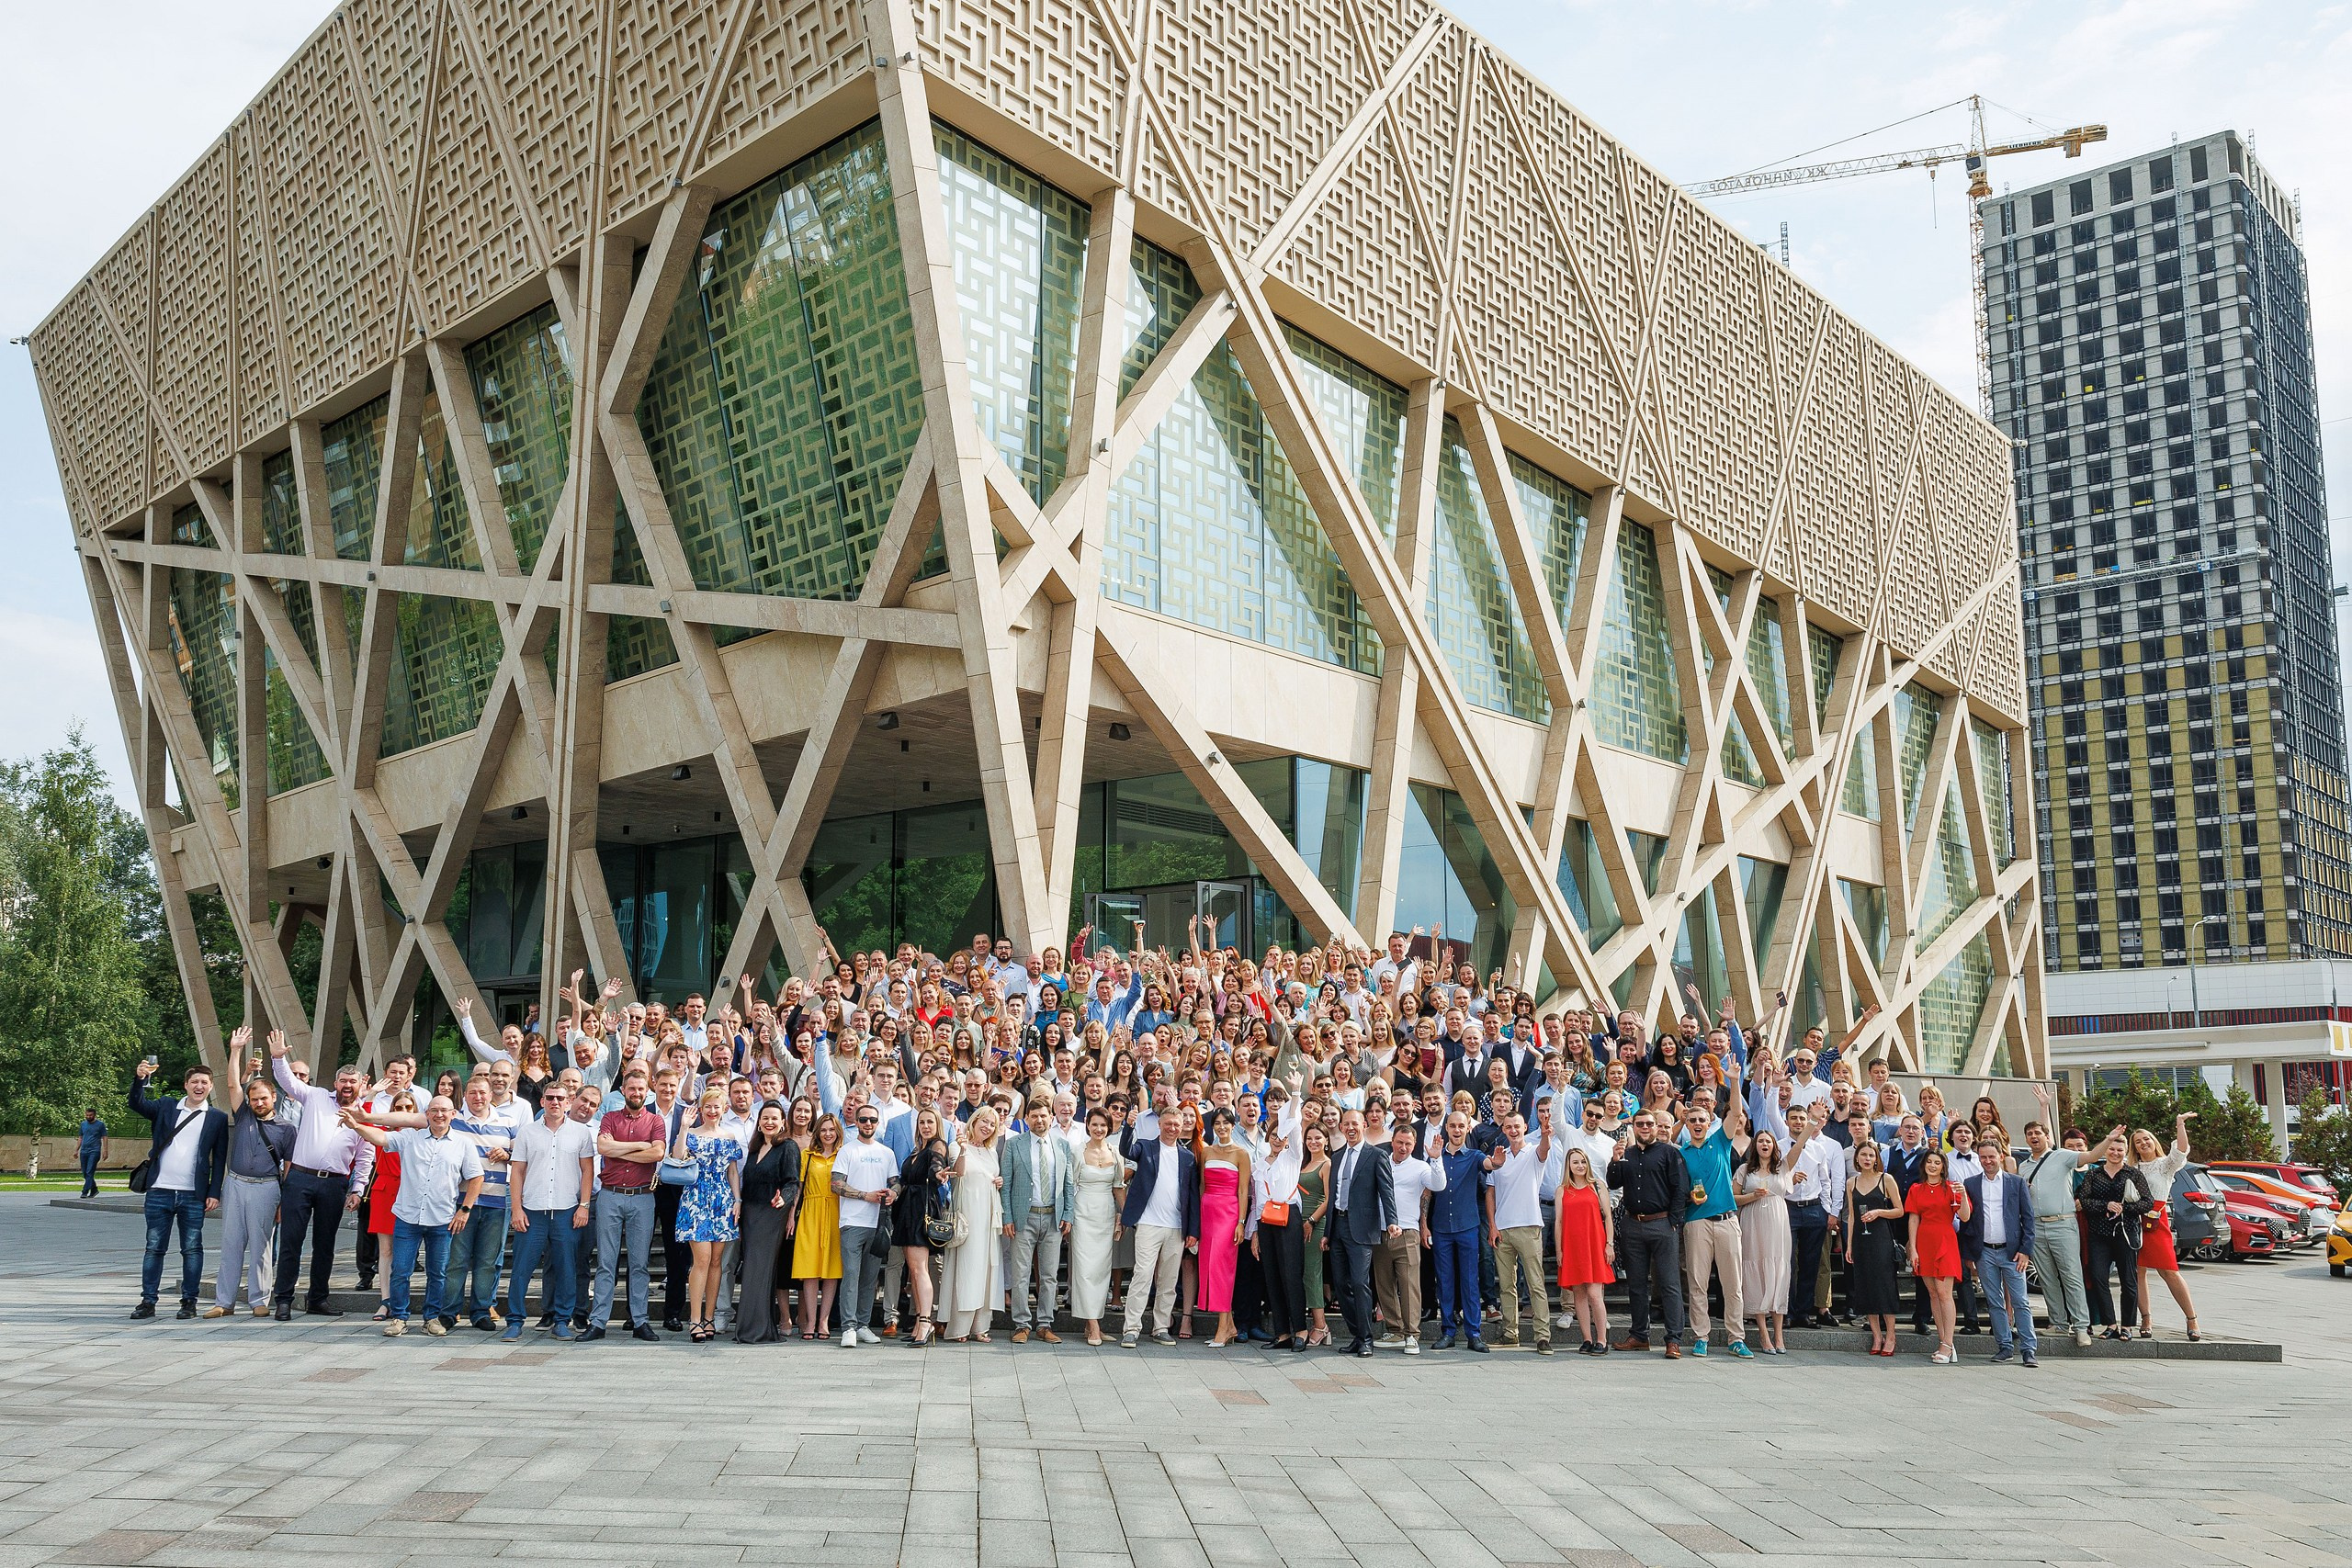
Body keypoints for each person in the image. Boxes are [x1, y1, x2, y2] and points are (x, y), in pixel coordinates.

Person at [343, 1095, 485, 1337]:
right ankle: (399, 1317)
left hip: (442, 1219)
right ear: (426, 1114)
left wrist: (465, 1210)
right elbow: (380, 1137)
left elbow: (476, 1177)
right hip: (408, 1217)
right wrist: (356, 1126)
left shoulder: (463, 1144)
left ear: (453, 1114)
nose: (439, 1115)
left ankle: (432, 1318)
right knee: (401, 1270)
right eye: (434, 1110)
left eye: (444, 1110)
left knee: (437, 1273)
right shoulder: (410, 1137)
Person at [266, 1032, 374, 1320]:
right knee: (291, 1241)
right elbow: (288, 1081)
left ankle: (318, 1299)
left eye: (353, 1082)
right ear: (335, 1083)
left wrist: (358, 1188)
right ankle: (284, 1300)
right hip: (300, 1179)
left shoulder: (363, 1116)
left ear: (360, 1085)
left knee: (325, 1245)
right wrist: (278, 1057)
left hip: (335, 1184)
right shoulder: (315, 1096)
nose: (347, 1086)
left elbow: (365, 1156)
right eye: (343, 1081)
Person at [128, 1055, 229, 1321]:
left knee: (192, 1249)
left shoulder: (217, 1118)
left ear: (210, 1087)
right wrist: (140, 1079)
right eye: (194, 1081)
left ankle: (189, 1302)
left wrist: (214, 1192)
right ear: (186, 1085)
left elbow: (219, 1158)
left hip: (193, 1195)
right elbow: (136, 1103)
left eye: (204, 1082)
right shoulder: (166, 1106)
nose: (199, 1086)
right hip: (159, 1190)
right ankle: (148, 1301)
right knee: (154, 1247)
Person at [208, 1030, 295, 1319]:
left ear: (273, 1097)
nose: (258, 1103)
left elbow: (288, 1167)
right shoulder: (243, 1114)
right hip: (235, 1184)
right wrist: (235, 1050)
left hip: (267, 1188)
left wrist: (284, 1201)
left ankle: (259, 1300)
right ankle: (224, 1302)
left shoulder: (287, 1129)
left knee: (261, 1246)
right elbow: (233, 1084)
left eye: (263, 1098)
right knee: (231, 1245)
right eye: (254, 1099)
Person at [503, 1081, 593, 1341]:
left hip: (566, 1209)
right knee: (521, 1268)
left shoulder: (580, 1133)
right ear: (542, 1101)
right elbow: (517, 1172)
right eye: (550, 1098)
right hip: (533, 1210)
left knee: (566, 1268)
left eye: (560, 1098)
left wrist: (584, 1205)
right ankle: (515, 1320)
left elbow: (587, 1170)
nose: (555, 1102)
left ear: (568, 1102)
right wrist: (516, 1209)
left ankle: (562, 1320)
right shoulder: (527, 1132)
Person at [589, 1067, 666, 1342]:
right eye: (631, 1088)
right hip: (610, 1195)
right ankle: (598, 1322)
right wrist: (640, 1145)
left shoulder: (655, 1121)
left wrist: (621, 1148)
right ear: (623, 1090)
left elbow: (657, 1153)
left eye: (640, 1089)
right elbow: (603, 1148)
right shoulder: (610, 1118)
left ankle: (640, 1321)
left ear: (648, 1092)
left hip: (643, 1197)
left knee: (639, 1264)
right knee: (605, 1263)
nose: (636, 1093)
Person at [1675, 1080, 1750, 1359]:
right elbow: (1677, 1191)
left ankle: (1736, 1338)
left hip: (1727, 1220)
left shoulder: (1720, 1141)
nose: (1697, 1123)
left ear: (1710, 1123)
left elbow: (1736, 1112)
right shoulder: (1681, 1155)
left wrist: (1734, 1080)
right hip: (1696, 1222)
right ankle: (1701, 1336)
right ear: (1687, 1124)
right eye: (1692, 1120)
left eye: (1702, 1120)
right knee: (1698, 1283)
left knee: (1733, 1284)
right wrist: (1688, 1198)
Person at [1608, 1110, 1689, 1357]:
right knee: (1636, 1284)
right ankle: (1639, 1335)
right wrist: (1615, 1160)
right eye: (1640, 1124)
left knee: (1669, 1284)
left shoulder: (1670, 1153)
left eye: (1649, 1124)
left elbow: (1681, 1189)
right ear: (1634, 1127)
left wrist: (1673, 1221)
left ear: (1656, 1127)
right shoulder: (1627, 1154)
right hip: (1633, 1224)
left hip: (1662, 1224)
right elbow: (1613, 1183)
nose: (1645, 1128)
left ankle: (1673, 1340)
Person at [1119, 1103, 1200, 1348]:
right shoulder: (1146, 1147)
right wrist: (1128, 1126)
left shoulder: (1187, 1157)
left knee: (1168, 1280)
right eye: (1168, 1124)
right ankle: (1131, 1328)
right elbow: (1126, 1150)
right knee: (1142, 1276)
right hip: (1148, 1223)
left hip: (1176, 1227)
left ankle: (1161, 1327)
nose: (1172, 1128)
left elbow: (1192, 1197)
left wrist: (1193, 1230)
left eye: (1176, 1124)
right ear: (1159, 1125)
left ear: (1182, 1126)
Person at [669, 1088, 744, 1341]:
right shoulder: (691, 1134)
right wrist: (683, 1127)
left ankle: (709, 1317)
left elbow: (733, 1172)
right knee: (701, 1260)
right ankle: (694, 1319)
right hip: (696, 1198)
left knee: (716, 1262)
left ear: (725, 1109)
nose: (712, 1111)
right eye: (708, 1106)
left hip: (722, 1201)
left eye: (716, 1106)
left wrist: (737, 1200)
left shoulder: (729, 1137)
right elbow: (678, 1157)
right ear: (701, 1109)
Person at [2020, 1087, 2092, 1348]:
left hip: (2063, 1223)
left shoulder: (2061, 1157)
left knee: (2071, 1276)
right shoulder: (2024, 1166)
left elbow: (2090, 1156)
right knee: (2047, 1278)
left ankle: (2081, 1326)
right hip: (2037, 1227)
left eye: (2038, 1133)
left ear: (2047, 1137)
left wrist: (2109, 1140)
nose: (2034, 1137)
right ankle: (2059, 1323)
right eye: (2030, 1134)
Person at [1002, 1099, 1075, 1344]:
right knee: (1021, 1275)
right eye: (1034, 1116)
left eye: (1043, 1116)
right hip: (1024, 1217)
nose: (1039, 1120)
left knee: (1049, 1275)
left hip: (1053, 1217)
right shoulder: (1014, 1144)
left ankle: (1045, 1324)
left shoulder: (1062, 1145)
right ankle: (1021, 1325)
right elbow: (1006, 1183)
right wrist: (1007, 1216)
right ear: (1027, 1119)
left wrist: (1068, 1214)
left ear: (1051, 1118)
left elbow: (1068, 1183)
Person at [1735, 1122, 1809, 1355]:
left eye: (1768, 1141)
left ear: (1774, 1146)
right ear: (1755, 1146)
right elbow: (1733, 1197)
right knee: (1755, 1270)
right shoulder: (1745, 1170)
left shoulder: (1783, 1167)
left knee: (1778, 1272)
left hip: (1777, 1222)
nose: (1764, 1144)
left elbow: (1799, 1145)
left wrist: (1812, 1122)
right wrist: (1752, 1196)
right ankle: (1763, 1333)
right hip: (1753, 1220)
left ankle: (1778, 1334)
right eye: (1760, 1141)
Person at [1326, 1106, 1395, 1359]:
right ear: (1341, 1128)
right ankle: (1357, 1334)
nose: (1351, 1128)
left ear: (1364, 1125)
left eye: (1355, 1124)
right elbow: (1332, 1195)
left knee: (1359, 1282)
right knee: (1340, 1285)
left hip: (1362, 1229)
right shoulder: (1336, 1157)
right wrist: (1327, 1231)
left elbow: (1386, 1191)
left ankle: (1366, 1339)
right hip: (1337, 1226)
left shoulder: (1376, 1155)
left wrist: (1392, 1221)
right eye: (1346, 1124)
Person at [1962, 1140, 2038, 1366]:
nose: (1988, 1161)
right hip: (1984, 1251)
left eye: (1991, 1156)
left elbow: (2028, 1218)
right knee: (1994, 1301)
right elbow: (1968, 1222)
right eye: (1983, 1157)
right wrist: (1970, 1253)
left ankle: (2028, 1349)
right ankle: (2004, 1346)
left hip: (2011, 1252)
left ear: (2001, 1156)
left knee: (2020, 1301)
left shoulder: (2016, 1182)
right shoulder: (1971, 1184)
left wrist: (2025, 1251)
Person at [834, 1101, 903, 1347]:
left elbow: (896, 1182)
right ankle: (848, 1327)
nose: (868, 1124)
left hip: (878, 1223)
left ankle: (863, 1325)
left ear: (877, 1123)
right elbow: (836, 1184)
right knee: (851, 1276)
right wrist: (866, 1196)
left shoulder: (887, 1153)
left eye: (872, 1120)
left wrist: (893, 1193)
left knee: (870, 1278)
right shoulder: (847, 1150)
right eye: (863, 1119)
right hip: (852, 1222)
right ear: (856, 1122)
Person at [1484, 1110, 1552, 1354]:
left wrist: (1545, 1134)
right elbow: (1490, 1193)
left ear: (1525, 1128)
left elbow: (1544, 1150)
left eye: (1517, 1126)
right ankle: (1510, 1333)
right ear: (1503, 1130)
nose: (1513, 1130)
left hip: (1529, 1225)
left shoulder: (1533, 1152)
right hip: (1503, 1229)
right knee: (1506, 1285)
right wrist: (1492, 1226)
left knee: (1535, 1283)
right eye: (1509, 1127)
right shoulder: (1498, 1157)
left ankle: (1542, 1336)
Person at [2077, 1127, 2154, 1341]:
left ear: (2125, 1151)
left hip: (2126, 1233)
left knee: (2128, 1280)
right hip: (2099, 1234)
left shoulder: (2133, 1174)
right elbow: (2084, 1201)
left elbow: (2147, 1202)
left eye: (2120, 1150)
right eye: (2111, 1149)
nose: (2115, 1153)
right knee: (2099, 1277)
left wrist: (2124, 1208)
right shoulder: (2094, 1174)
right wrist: (2106, 1205)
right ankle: (2110, 1324)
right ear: (2105, 1150)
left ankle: (2127, 1326)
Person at [2130, 1112, 2201, 1341]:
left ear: (2154, 1141)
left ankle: (2191, 1319)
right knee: (2137, 1271)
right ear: (2134, 1148)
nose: (2143, 1143)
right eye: (2138, 1141)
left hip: (2156, 1220)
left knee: (2169, 1271)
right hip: (2133, 1220)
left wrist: (2180, 1124)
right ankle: (2146, 1319)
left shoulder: (2164, 1165)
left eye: (2146, 1138)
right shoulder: (2131, 1168)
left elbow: (2181, 1151)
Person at [1375, 1114, 1442, 1356]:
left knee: (1409, 1285)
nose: (1403, 1148)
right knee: (1384, 1284)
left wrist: (1436, 1159)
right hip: (1380, 1231)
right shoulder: (1380, 1162)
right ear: (1392, 1141)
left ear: (1414, 1146)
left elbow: (1438, 1184)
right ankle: (1394, 1330)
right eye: (1399, 1142)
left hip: (1408, 1232)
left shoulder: (1420, 1167)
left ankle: (1412, 1334)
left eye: (1408, 1144)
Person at [935, 1107, 1000, 1342]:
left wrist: (999, 1181)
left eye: (992, 1124)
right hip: (967, 1215)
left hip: (988, 1217)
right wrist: (963, 1150)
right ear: (974, 1121)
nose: (987, 1127)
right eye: (985, 1121)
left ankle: (980, 1326)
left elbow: (990, 1176)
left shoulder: (992, 1151)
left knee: (985, 1271)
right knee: (966, 1269)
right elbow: (958, 1173)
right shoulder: (956, 1145)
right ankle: (958, 1328)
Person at [889, 1107, 950, 1347]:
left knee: (920, 1268)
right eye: (922, 1122)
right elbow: (904, 1179)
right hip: (907, 1209)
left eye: (930, 1122)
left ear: (937, 1125)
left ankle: (926, 1323)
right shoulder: (917, 1150)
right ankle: (918, 1323)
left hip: (922, 1209)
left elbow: (937, 1166)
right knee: (913, 1270)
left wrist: (939, 1174)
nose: (925, 1126)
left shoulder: (937, 1145)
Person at [1903, 1149, 1970, 1363]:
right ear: (1924, 1165)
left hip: (1945, 1241)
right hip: (1924, 1242)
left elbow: (1965, 1216)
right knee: (1932, 1293)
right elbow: (1913, 1219)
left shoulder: (1951, 1188)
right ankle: (1944, 1342)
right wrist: (1913, 1248)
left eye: (1937, 1162)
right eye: (1929, 1162)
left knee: (1944, 1293)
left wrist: (1963, 1195)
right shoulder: (1916, 1189)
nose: (1932, 1166)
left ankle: (1948, 1344)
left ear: (1943, 1167)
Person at [1430, 1111, 1488, 1352]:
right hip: (1441, 1227)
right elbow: (1427, 1192)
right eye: (1452, 1126)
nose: (1456, 1130)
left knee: (1470, 1281)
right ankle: (1448, 1331)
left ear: (1467, 1129)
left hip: (1467, 1226)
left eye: (1461, 1126)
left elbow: (1489, 1164)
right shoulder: (1435, 1156)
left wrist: (1497, 1161)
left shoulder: (1474, 1156)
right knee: (1444, 1282)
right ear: (1446, 1128)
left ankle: (1474, 1333)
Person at [1195, 1106, 1253, 1348]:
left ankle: (1223, 1327)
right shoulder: (1206, 1152)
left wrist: (1241, 1222)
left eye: (1225, 1123)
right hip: (1208, 1212)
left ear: (1233, 1125)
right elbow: (1201, 1185)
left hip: (1229, 1214)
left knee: (1222, 1269)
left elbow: (1243, 1191)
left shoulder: (1241, 1153)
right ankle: (1228, 1325)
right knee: (1209, 1266)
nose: (1221, 1127)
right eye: (1217, 1123)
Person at [1844, 1137, 1905, 1356]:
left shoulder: (1885, 1179)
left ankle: (1891, 1335)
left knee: (1884, 1286)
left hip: (1881, 1239)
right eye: (1863, 1155)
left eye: (1871, 1155)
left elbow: (1899, 1210)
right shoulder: (1851, 1183)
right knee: (1866, 1286)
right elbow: (1852, 1216)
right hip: (1861, 1240)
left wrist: (1879, 1212)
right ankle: (1877, 1335)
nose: (1867, 1158)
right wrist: (1849, 1245)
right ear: (1857, 1158)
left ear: (1877, 1158)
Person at [1554, 1146, 1613, 1355]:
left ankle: (1602, 1340)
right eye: (1575, 1162)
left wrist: (1609, 1244)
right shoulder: (1562, 1190)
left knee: (1594, 1294)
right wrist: (1559, 1250)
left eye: (1582, 1162)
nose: (1580, 1166)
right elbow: (1558, 1222)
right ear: (1568, 1166)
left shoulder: (1597, 1186)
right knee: (1578, 1294)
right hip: (1572, 1246)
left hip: (1594, 1244)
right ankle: (1587, 1339)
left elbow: (1608, 1217)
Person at [796, 1114, 844, 1341]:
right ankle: (810, 1320)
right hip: (810, 1211)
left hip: (835, 1211)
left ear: (838, 1132)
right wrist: (791, 1217)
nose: (827, 1134)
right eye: (823, 1130)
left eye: (831, 1130)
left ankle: (824, 1321)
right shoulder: (807, 1155)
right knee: (810, 1269)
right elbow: (798, 1187)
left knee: (831, 1270)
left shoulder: (844, 1154)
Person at [1298, 1121, 1333, 1348]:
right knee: (1304, 1274)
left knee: (1313, 1273)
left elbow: (1329, 1199)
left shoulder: (1327, 1164)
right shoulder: (1304, 1163)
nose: (1313, 1142)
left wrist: (1311, 1221)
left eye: (1318, 1138)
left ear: (1326, 1141)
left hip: (1315, 1224)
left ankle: (1321, 1326)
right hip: (1298, 1224)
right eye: (1309, 1138)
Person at [78, 1107, 108, 1199]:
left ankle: (85, 1191)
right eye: (87, 1115)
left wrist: (105, 1151)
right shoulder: (83, 1124)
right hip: (84, 1151)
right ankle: (94, 1189)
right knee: (85, 1173)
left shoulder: (100, 1125)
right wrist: (76, 1150)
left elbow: (104, 1137)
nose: (88, 1117)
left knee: (89, 1172)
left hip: (94, 1151)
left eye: (90, 1115)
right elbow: (80, 1137)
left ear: (94, 1115)